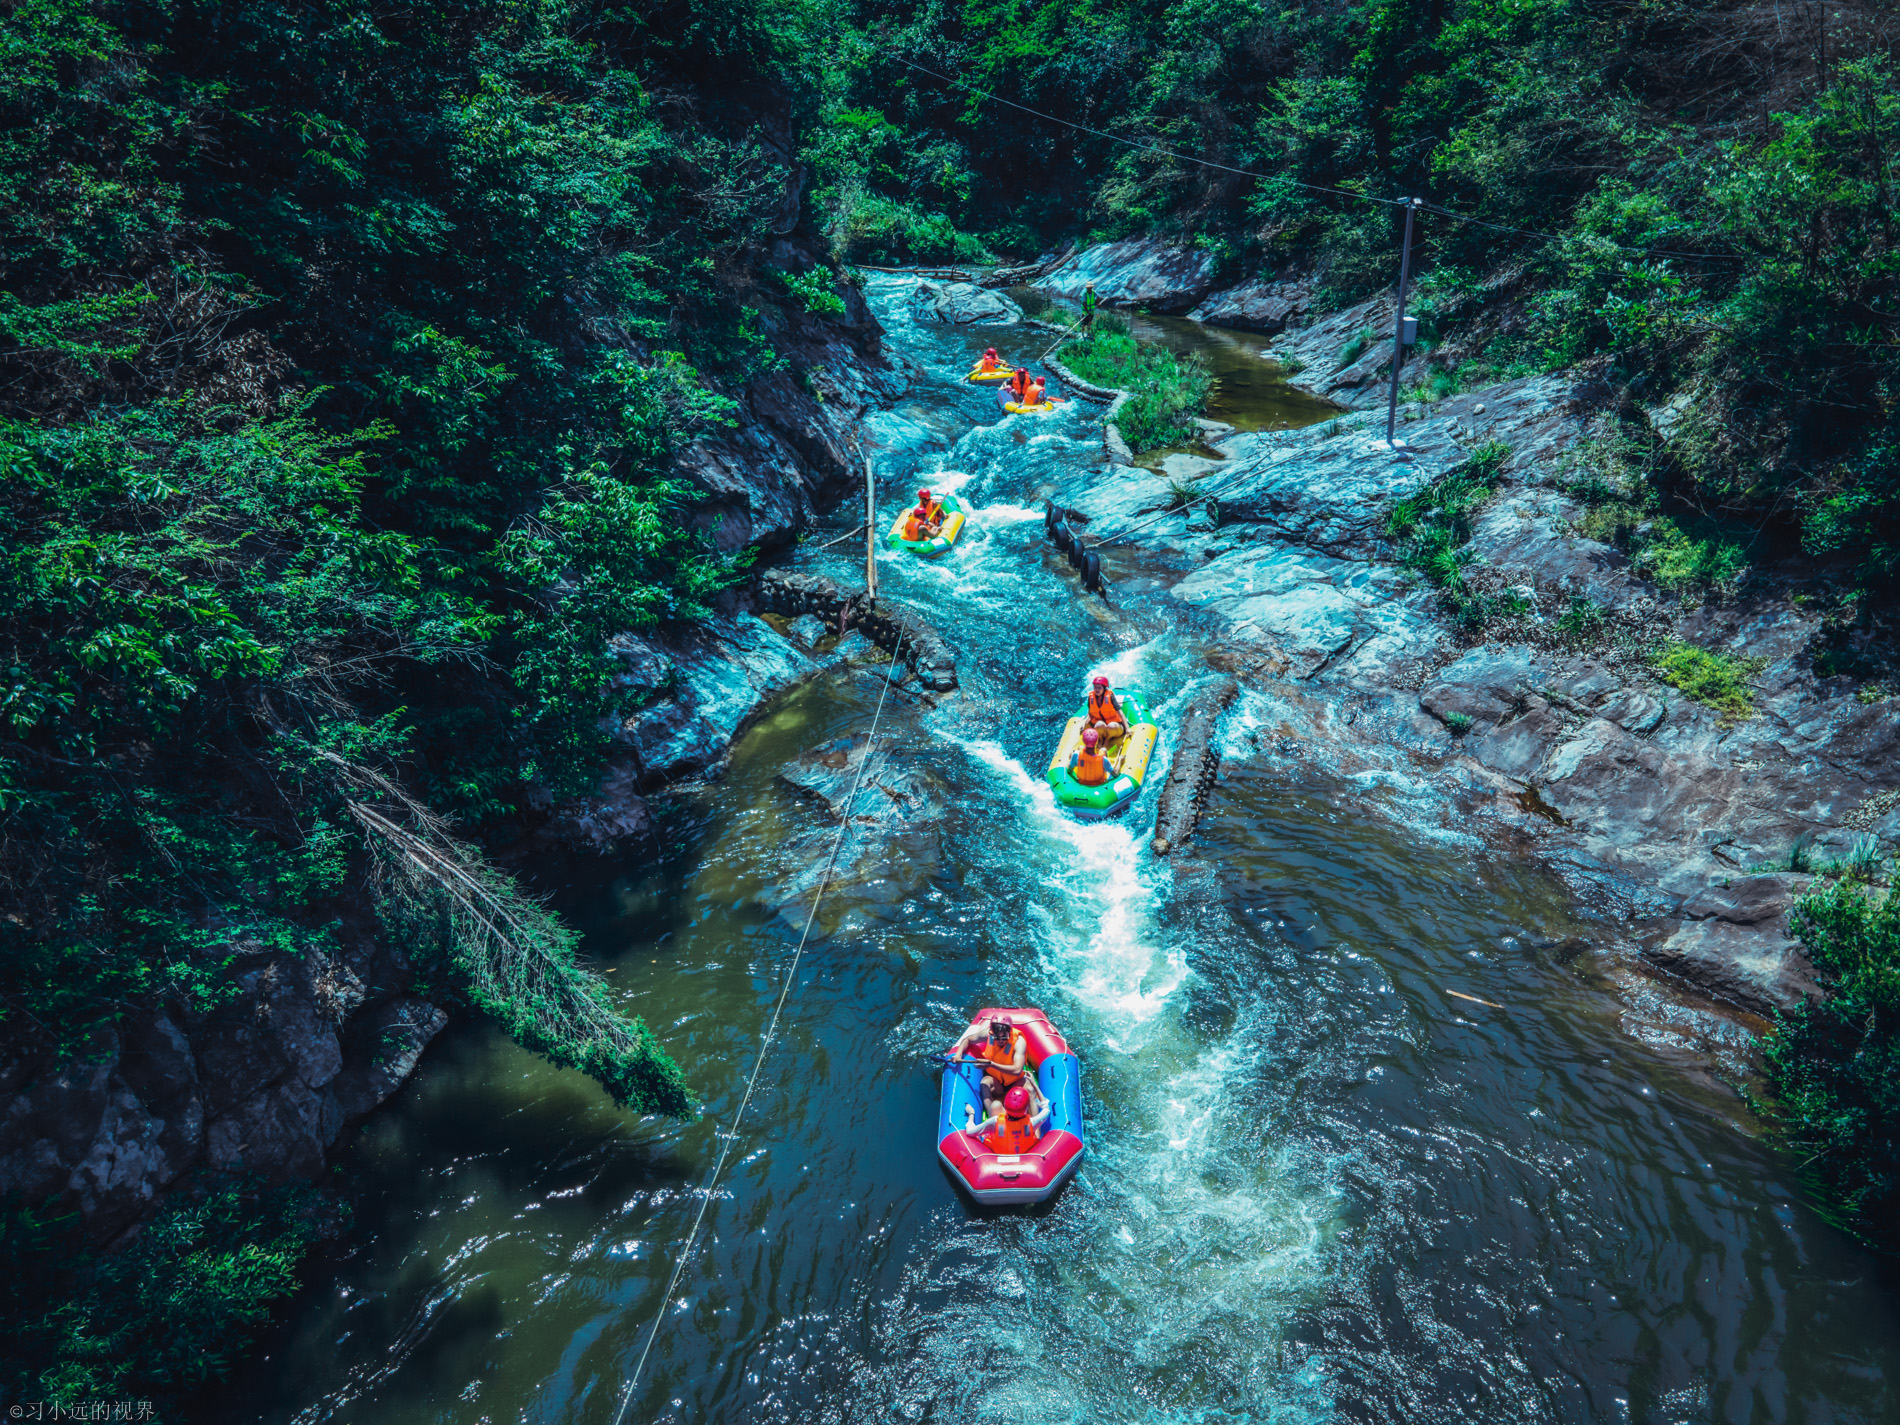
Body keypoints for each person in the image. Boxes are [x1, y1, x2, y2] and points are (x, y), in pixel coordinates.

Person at [951, 1015, 1028, 1114]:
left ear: (1010, 1032)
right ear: (992, 1032)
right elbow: (968, 1040)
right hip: (997, 1083)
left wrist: (991, 1064)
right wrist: (958, 1054)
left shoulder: (1019, 1041)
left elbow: (1017, 1070)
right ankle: (992, 1120)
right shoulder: (988, 1034)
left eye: (1004, 1037)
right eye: (997, 1037)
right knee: (984, 1083)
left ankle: (1036, 1127)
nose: (1000, 1040)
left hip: (1015, 1082)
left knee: (1029, 1088)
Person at [964, 1081, 1050, 1154]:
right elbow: (1047, 1109)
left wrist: (971, 1114)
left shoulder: (995, 1122)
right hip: (1025, 1154)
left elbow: (970, 1132)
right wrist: (1034, 1084)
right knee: (996, 1105)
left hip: (996, 1154)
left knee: (996, 1105)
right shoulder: (1032, 1122)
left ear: (1005, 1105)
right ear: (1026, 1108)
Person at [1085, 674, 1127, 741]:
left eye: (1099, 688)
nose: (1097, 690)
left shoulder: (1110, 697)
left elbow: (1120, 712)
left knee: (1111, 726)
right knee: (1099, 724)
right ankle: (1101, 739)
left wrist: (1127, 728)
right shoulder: (1091, 697)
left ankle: (1107, 740)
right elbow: (1090, 713)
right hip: (1101, 727)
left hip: (1115, 727)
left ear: (1104, 688)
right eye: (1095, 687)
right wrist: (1084, 724)